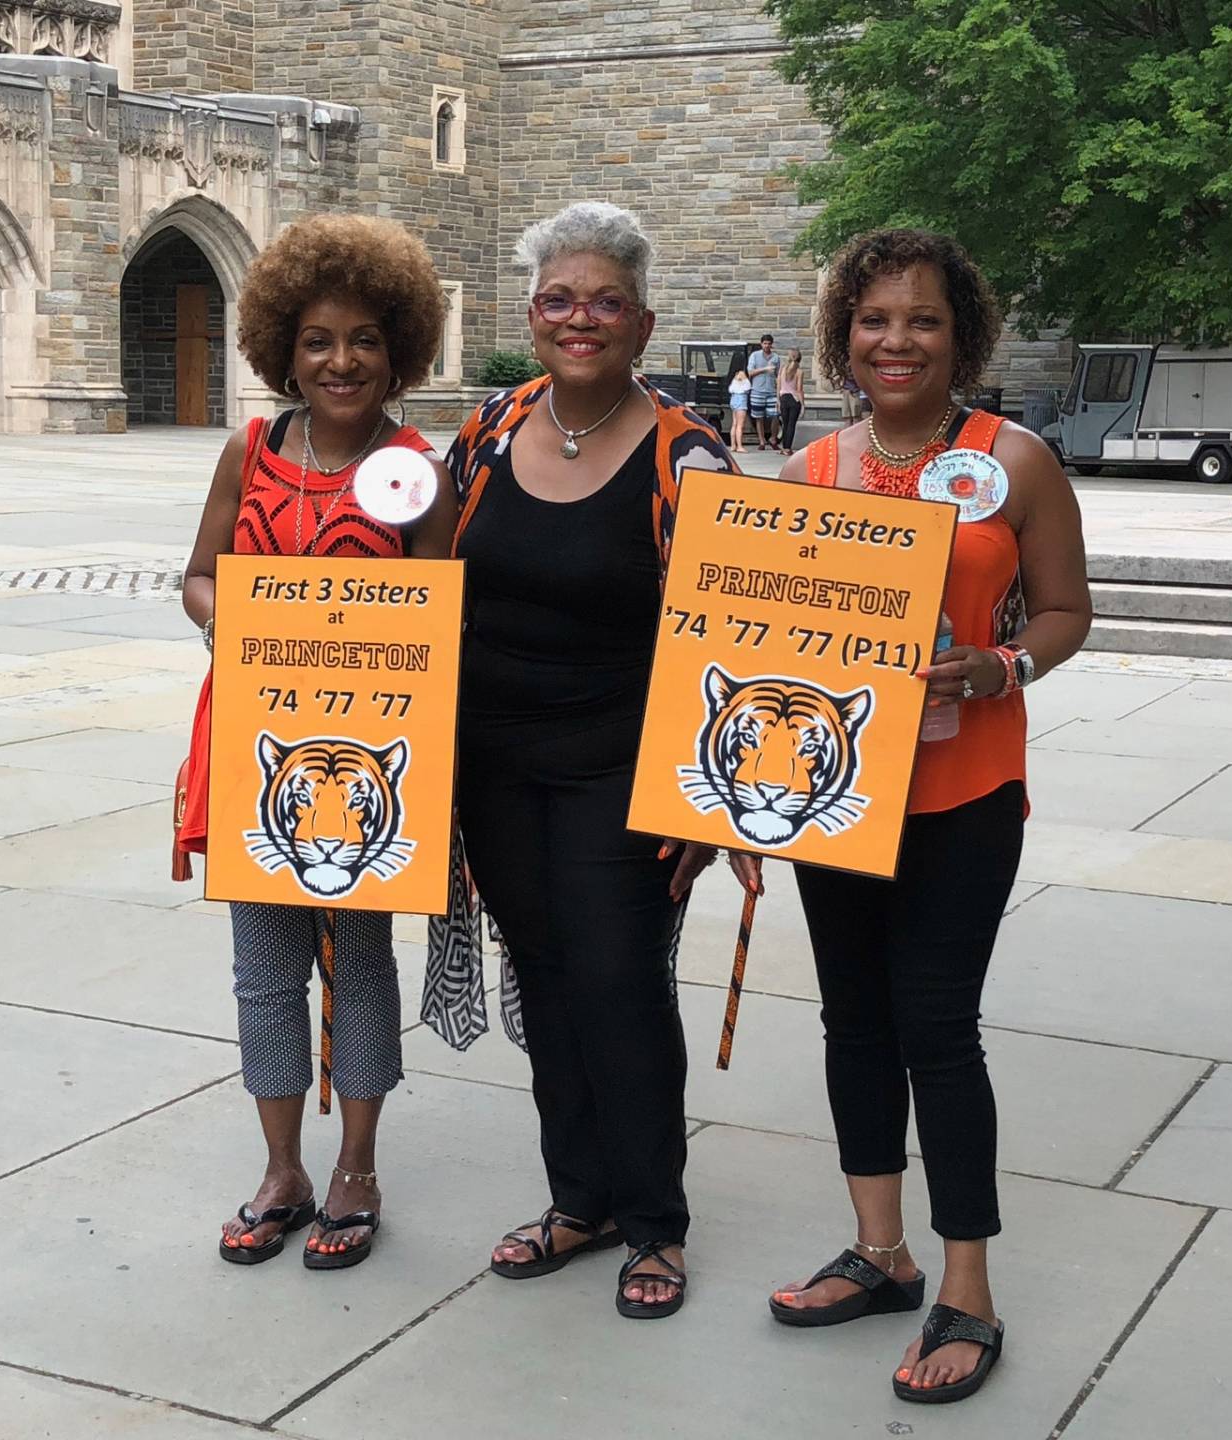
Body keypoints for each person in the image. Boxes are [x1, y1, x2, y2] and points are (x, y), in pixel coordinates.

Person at [768, 228, 1091, 1403]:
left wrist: (1001, 667)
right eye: (873, 320)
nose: (895, 341)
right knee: (853, 1023)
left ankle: (968, 1287)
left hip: (964, 794)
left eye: (922, 321)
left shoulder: (1015, 461)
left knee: (937, 1030)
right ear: (842, 336)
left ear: (964, 336)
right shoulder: (810, 474)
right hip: (836, 797)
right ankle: (880, 1251)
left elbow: (1065, 610)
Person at [440, 201, 759, 1320]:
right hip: (496, 762)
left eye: (606, 301)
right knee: (547, 978)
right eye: (560, 299)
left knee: (620, 985)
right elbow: (429, 589)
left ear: (643, 322)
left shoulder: (689, 454)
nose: (582, 318)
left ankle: (654, 1222)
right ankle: (579, 1200)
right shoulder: (488, 428)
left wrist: (709, 807)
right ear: (531, 316)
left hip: (622, 768)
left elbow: (733, 635)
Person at [180, 214, 459, 1272]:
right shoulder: (250, 451)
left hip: (372, 765)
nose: (340, 361)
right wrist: (232, 618)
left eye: (364, 340)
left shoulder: (413, 470)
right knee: (262, 970)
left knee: (360, 965)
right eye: (316, 341)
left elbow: (446, 608)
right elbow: (198, 573)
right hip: (261, 753)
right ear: (281, 352)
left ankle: (358, 1167)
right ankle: (281, 1168)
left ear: (399, 350)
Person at [747, 333, 780, 449]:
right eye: (765, 343)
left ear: (772, 345)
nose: (766, 346)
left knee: (775, 415)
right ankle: (762, 441)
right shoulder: (754, 356)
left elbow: (778, 375)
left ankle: (773, 438)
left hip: (771, 390)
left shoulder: (776, 357)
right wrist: (765, 369)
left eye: (769, 344)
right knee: (758, 416)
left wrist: (779, 390)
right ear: (761, 344)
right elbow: (750, 372)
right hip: (757, 390)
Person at [776, 347, 805, 455]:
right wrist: (803, 404)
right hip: (794, 399)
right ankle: (788, 448)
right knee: (791, 424)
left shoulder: (782, 369)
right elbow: (799, 389)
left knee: (785, 424)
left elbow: (778, 385)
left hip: (783, 398)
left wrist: (778, 400)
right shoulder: (799, 372)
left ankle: (784, 447)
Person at [727, 367, 751, 452]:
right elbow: (748, 389)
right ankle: (739, 446)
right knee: (740, 425)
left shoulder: (734, 381)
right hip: (741, 400)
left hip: (733, 400)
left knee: (734, 424)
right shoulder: (746, 382)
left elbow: (730, 390)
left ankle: (733, 445)